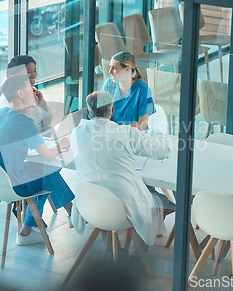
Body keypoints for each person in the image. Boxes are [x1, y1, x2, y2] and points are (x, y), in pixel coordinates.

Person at [70, 91, 174, 246]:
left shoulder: (76, 134)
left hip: (90, 207)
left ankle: (114, 247)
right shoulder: (126, 133)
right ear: (112, 111)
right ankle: (136, 254)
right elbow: (162, 151)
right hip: (122, 211)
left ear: (87, 112)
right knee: (157, 200)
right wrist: (158, 133)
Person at [0, 74, 74, 245]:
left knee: (44, 172)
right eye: (31, 89)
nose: (35, 92)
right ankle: (70, 214)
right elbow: (48, 155)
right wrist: (61, 144)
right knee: (48, 174)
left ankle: (35, 227)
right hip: (13, 183)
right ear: (20, 93)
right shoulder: (23, 121)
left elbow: (7, 146)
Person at [100, 51, 155, 130]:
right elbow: (100, 114)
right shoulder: (109, 84)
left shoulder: (142, 89)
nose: (110, 72)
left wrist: (119, 131)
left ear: (127, 69)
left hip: (134, 136)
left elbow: (142, 124)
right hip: (112, 134)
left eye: (114, 68)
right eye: (110, 67)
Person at [0, 55, 53, 131]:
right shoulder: (9, 97)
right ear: (15, 76)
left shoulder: (31, 90)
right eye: (28, 72)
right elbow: (25, 127)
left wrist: (42, 103)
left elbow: (46, 122)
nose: (34, 75)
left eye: (34, 71)